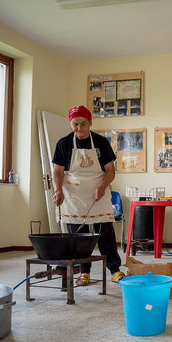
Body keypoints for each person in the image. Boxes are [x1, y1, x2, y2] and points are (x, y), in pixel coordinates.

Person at [52, 105, 124, 285]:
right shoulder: (64, 143)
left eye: (83, 124)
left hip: (98, 190)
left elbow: (110, 170)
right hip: (74, 192)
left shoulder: (101, 142)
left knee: (105, 232)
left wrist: (102, 186)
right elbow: (57, 172)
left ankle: (115, 269)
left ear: (90, 123)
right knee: (78, 235)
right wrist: (58, 190)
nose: (79, 128)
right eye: (75, 124)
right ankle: (84, 271)